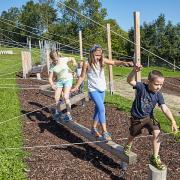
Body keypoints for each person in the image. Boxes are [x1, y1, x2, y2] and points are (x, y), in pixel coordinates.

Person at [71, 44, 133, 141]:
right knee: (102, 108)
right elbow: (82, 76)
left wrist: (125, 63)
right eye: (96, 55)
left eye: (99, 55)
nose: (98, 57)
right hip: (93, 90)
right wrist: (76, 87)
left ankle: (93, 128)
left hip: (102, 89)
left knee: (98, 109)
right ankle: (105, 131)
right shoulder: (86, 63)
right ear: (92, 54)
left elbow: (114, 62)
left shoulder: (102, 61)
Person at [124, 64, 178, 170]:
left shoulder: (158, 95)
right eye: (156, 84)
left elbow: (165, 108)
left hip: (148, 117)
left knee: (157, 132)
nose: (159, 87)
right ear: (149, 82)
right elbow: (129, 80)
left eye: (161, 84)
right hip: (137, 118)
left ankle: (155, 157)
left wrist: (173, 121)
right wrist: (134, 71)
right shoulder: (141, 87)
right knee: (133, 134)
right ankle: (128, 144)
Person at [49, 50, 77, 122]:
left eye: (56, 60)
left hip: (68, 79)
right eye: (54, 60)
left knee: (65, 96)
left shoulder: (63, 59)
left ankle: (69, 114)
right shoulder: (52, 65)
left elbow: (72, 58)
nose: (55, 62)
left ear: (58, 57)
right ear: (51, 59)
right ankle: (59, 113)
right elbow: (50, 78)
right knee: (56, 97)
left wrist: (74, 62)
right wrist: (52, 84)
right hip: (59, 81)